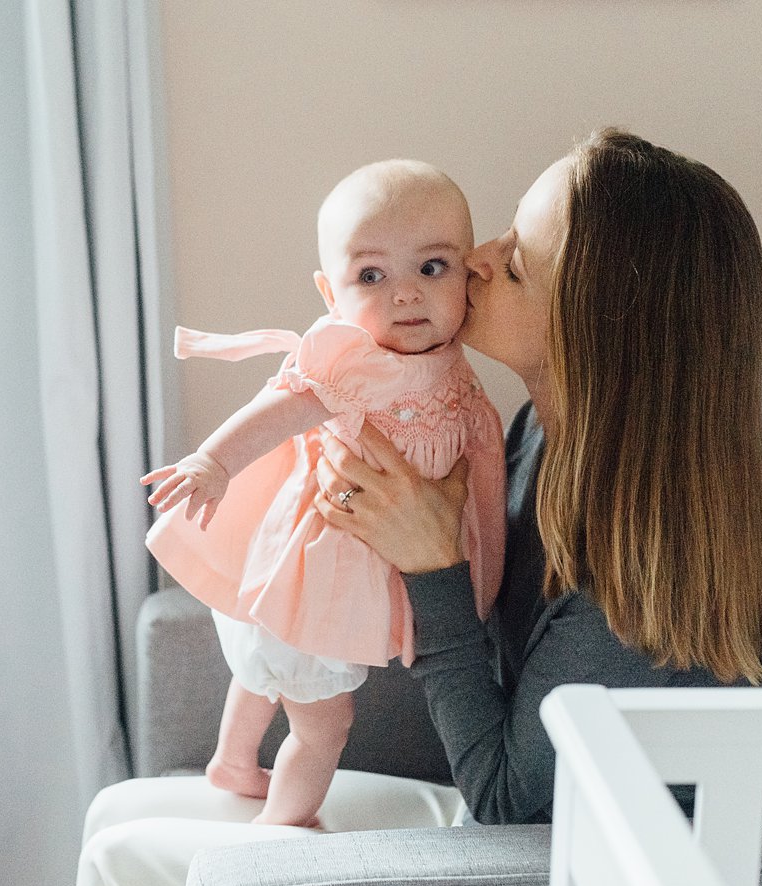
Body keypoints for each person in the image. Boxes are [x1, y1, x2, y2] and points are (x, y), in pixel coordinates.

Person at [67, 128, 762, 886]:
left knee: (120, 865)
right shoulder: (533, 440)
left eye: (516, 263)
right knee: (118, 811)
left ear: (596, 326)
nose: (476, 260)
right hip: (505, 830)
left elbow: (500, 795)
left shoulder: (641, 575)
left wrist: (431, 564)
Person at [141, 159, 505, 828]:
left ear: (468, 273)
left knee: (264, 674)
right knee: (324, 722)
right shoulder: (354, 359)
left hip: (292, 583)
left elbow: (482, 491)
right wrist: (213, 461)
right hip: (312, 577)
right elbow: (282, 405)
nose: (405, 295)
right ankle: (283, 829)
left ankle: (231, 759)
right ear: (329, 293)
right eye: (372, 276)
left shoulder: (455, 372)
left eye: (432, 268)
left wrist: (481, 585)